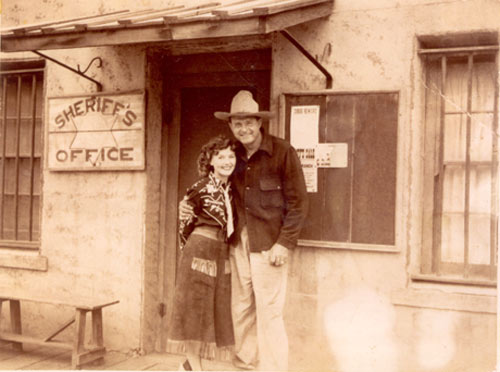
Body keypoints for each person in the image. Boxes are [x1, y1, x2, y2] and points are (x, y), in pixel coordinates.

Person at [181, 90, 309, 371]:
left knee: (269, 313)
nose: (244, 128)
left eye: (248, 122)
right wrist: (188, 205)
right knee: (240, 311)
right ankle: (245, 366)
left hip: (270, 245)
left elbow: (299, 203)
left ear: (259, 122)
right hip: (238, 245)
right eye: (237, 123)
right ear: (230, 126)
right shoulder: (232, 155)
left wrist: (284, 244)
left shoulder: (282, 152)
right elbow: (210, 183)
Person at [169, 135, 237, 371]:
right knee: (195, 309)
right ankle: (195, 369)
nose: (227, 161)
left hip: (221, 252)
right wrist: (189, 257)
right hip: (200, 251)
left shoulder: (233, 189)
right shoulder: (199, 188)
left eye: (231, 156)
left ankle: (188, 364)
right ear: (210, 161)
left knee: (213, 309)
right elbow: (184, 225)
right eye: (220, 156)